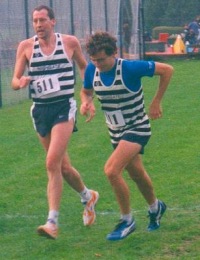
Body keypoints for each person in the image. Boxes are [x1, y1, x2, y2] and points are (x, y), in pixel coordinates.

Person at [11, 5, 99, 239]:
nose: (38, 25)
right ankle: (87, 196)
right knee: (63, 167)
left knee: (51, 162)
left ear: (53, 22)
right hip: (40, 110)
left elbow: (84, 67)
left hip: (63, 106)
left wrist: (87, 96)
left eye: (42, 20)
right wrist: (20, 83)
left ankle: (52, 222)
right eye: (35, 21)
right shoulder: (26, 47)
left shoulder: (69, 43)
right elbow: (14, 80)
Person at [80, 31, 173, 241]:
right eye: (93, 60)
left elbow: (167, 70)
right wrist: (87, 102)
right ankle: (155, 208)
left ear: (114, 53)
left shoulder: (129, 68)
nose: (98, 64)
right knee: (137, 174)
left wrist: (156, 101)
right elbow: (86, 91)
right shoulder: (91, 70)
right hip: (115, 131)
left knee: (111, 171)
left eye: (102, 59)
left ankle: (127, 220)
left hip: (137, 126)